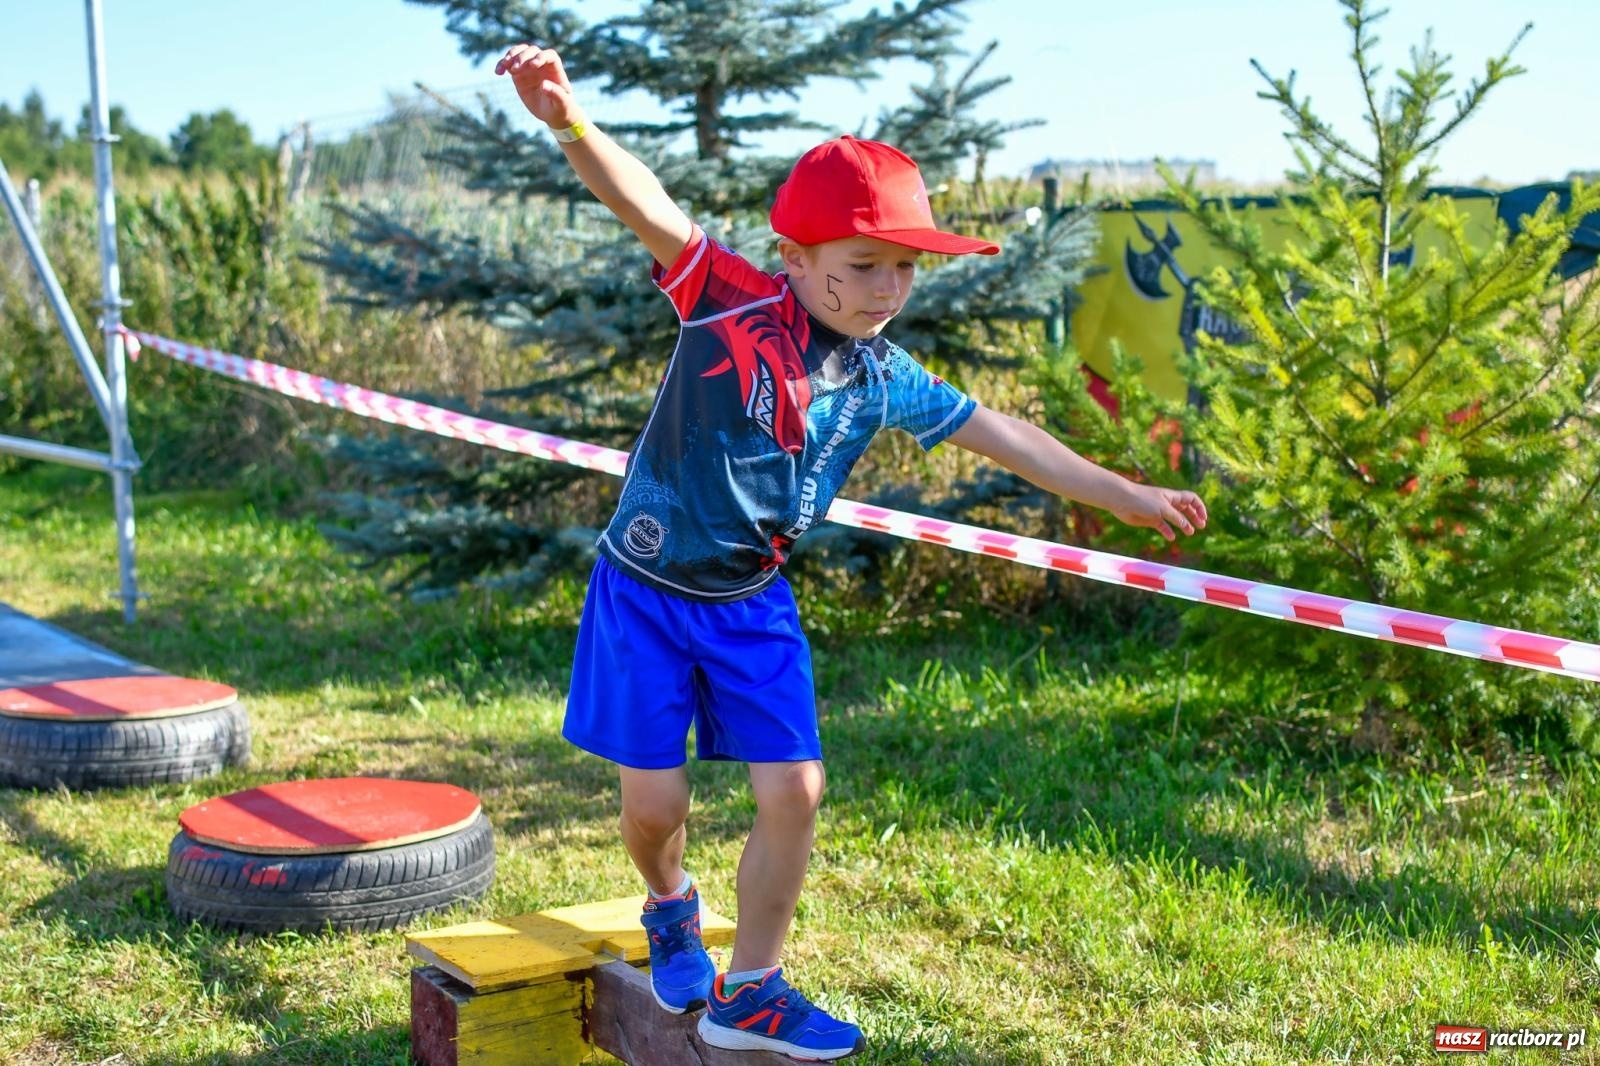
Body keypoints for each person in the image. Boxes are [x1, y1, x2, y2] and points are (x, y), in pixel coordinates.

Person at [497, 43, 1208, 1061]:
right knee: (654, 807)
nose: (885, 289)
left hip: (752, 604)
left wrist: (1123, 493)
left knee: (796, 789)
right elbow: (644, 201)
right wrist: (567, 120)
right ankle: (668, 901)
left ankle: (753, 990)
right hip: (643, 592)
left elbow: (1003, 432)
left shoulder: (884, 374)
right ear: (796, 257)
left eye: (903, 268)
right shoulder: (728, 297)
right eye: (861, 266)